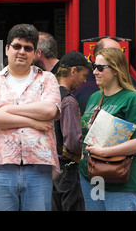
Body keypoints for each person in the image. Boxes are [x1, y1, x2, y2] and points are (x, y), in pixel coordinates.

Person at [0, 24, 61, 211]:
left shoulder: (47, 79)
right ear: (7, 49)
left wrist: (6, 109)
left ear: (36, 53)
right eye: (17, 46)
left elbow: (49, 111)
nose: (22, 52)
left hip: (38, 167)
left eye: (28, 48)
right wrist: (31, 121)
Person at [79, 48, 136, 211]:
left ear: (116, 70)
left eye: (100, 68)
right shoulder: (95, 97)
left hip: (120, 179)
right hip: (91, 175)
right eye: (93, 66)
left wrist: (104, 152)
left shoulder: (133, 99)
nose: (95, 72)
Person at [51, 51, 91, 211]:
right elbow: (73, 141)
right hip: (67, 167)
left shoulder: (50, 95)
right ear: (73, 71)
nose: (84, 80)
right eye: (83, 75)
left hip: (51, 166)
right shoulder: (68, 100)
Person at [74, 37, 136, 114]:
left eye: (120, 53)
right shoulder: (93, 95)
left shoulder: (133, 97)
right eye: (112, 52)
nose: (95, 72)